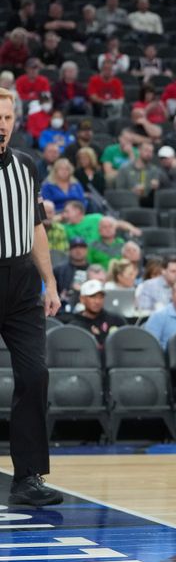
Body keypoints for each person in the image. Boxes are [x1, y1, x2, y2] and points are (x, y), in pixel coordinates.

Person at [0, 86, 62, 506]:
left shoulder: (26, 165)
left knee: (35, 374)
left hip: (21, 280)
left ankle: (27, 477)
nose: (1, 125)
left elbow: (35, 224)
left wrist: (50, 281)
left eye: (6, 117)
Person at [68, 280, 126, 352]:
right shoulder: (74, 326)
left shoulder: (116, 320)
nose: (97, 301)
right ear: (82, 299)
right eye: (92, 296)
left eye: (101, 297)